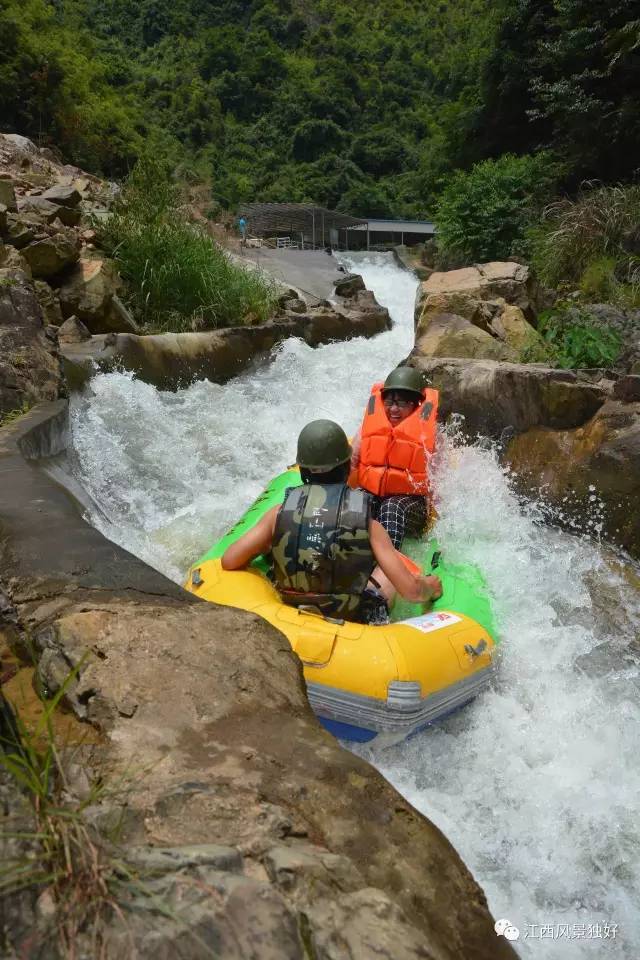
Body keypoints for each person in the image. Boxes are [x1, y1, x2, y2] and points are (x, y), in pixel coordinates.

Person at [222, 420, 442, 624]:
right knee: (389, 568)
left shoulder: (278, 513)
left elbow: (230, 560)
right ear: (347, 468)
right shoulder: (368, 523)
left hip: (288, 610)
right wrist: (431, 587)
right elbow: (412, 592)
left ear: (303, 471)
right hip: (353, 619)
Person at [350, 367, 439, 550]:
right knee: (357, 501)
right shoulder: (366, 430)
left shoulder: (432, 436)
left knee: (390, 508)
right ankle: (350, 559)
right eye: (389, 402)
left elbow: (440, 480)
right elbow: (351, 463)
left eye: (402, 403)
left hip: (412, 506)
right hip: (375, 495)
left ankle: (388, 572)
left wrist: (435, 522)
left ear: (416, 405)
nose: (393, 409)